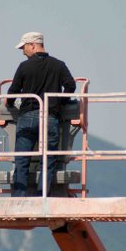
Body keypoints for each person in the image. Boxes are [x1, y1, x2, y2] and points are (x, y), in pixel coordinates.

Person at [6, 32, 76, 197]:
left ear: (33, 45)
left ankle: (19, 198)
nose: (23, 51)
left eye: (24, 47)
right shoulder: (59, 65)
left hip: (27, 116)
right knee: (48, 161)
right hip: (50, 117)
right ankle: (42, 196)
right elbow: (71, 85)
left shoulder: (24, 66)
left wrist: (9, 104)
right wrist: (61, 103)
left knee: (22, 160)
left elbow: (13, 91)